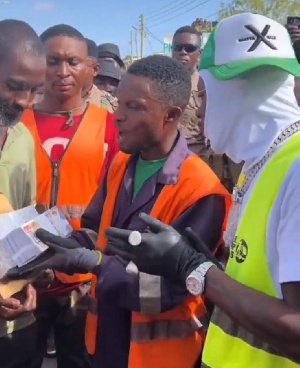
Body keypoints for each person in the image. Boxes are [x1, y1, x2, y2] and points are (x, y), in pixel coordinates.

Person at [102, 13, 300, 367]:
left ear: (235, 91)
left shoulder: (295, 171)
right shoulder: (262, 164)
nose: (203, 110)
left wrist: (194, 268)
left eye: (206, 95)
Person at [16, 55, 230, 368]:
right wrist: (65, 244)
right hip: (106, 342)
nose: (117, 116)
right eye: (119, 104)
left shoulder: (201, 191)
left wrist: (97, 263)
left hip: (161, 357)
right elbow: (95, 230)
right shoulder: (121, 164)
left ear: (170, 115)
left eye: (134, 107)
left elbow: (168, 291)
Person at [20, 24, 118, 368]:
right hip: (25, 276)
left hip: (84, 278)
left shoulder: (111, 126)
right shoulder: (16, 122)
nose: (63, 72)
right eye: (52, 61)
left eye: (72, 62)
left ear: (89, 67)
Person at [0, 19, 46, 368]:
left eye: (35, 90)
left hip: (14, 323)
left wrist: (27, 282)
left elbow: (22, 225)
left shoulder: (23, 141)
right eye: (16, 86)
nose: (26, 102)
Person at [172, 26, 242, 192]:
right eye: (177, 48)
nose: (183, 52)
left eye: (189, 48)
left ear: (199, 53)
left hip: (202, 169)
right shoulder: (157, 87)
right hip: (166, 168)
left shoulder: (212, 86)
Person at [83, 38, 117, 112]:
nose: (108, 88)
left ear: (95, 70)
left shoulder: (110, 105)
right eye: (101, 81)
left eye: (113, 83)